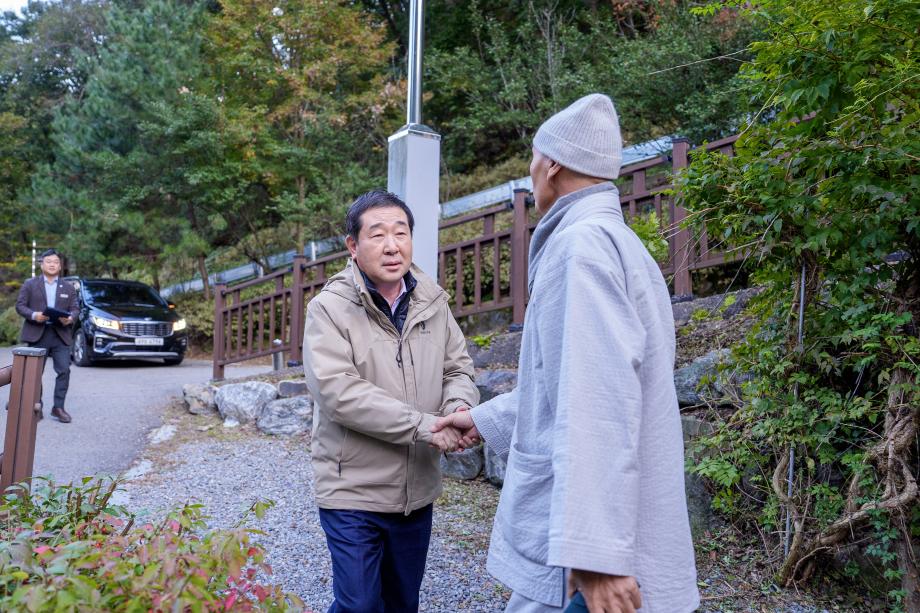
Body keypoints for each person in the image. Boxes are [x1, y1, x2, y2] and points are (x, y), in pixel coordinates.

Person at [433, 94, 700, 612]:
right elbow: (574, 380)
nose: (531, 172)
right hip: (609, 530)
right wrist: (484, 419)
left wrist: (597, 556)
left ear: (551, 164)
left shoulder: (579, 248)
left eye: (533, 159)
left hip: (593, 559)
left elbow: (597, 398)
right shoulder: (616, 242)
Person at [303, 190, 479, 612]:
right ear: (353, 246)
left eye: (401, 233)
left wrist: (457, 409)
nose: (391, 245)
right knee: (359, 606)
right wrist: (425, 428)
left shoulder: (433, 302)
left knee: (402, 604)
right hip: (352, 491)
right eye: (377, 234)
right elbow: (338, 393)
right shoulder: (329, 309)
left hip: (415, 490)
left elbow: (458, 367)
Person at [15, 248, 79, 423]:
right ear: (42, 264)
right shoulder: (30, 284)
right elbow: (20, 306)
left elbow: (75, 308)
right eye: (49, 261)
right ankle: (37, 406)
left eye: (56, 262)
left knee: (64, 371)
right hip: (38, 333)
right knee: (35, 374)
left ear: (60, 266)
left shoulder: (68, 286)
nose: (52, 265)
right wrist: (35, 315)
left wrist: (71, 318)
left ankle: (58, 408)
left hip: (60, 334)